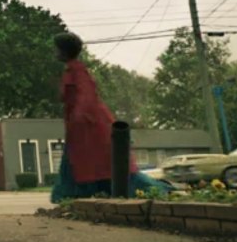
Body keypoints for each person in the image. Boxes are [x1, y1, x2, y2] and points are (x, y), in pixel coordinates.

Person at [50, 32, 171, 203]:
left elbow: (87, 96)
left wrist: (79, 117)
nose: (54, 52)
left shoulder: (78, 71)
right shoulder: (72, 70)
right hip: (81, 130)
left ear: (64, 51)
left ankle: (162, 191)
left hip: (91, 128)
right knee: (85, 166)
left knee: (106, 169)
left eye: (56, 49)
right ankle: (68, 198)